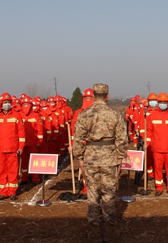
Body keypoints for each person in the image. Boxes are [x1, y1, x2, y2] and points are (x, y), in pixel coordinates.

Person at [72, 83, 128, 243]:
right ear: (107, 96)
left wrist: (80, 159)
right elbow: (122, 139)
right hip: (110, 158)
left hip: (90, 158)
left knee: (93, 196)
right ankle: (110, 233)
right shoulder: (115, 114)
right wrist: (120, 158)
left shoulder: (84, 114)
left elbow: (78, 139)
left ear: (94, 95)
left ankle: (95, 233)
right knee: (109, 196)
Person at [0, 92, 25, 200]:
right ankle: (3, 192)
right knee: (2, 171)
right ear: (1, 103)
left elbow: (21, 133)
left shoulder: (16, 116)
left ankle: (12, 191)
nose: (7, 104)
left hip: (13, 148)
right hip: (0, 149)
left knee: (13, 171)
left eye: (8, 102)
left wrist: (21, 147)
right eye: (5, 102)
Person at [145, 92, 168, 196]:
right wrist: (147, 142)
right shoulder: (152, 116)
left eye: (165, 102)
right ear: (158, 103)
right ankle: (159, 188)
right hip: (157, 148)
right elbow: (149, 131)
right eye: (161, 102)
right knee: (158, 169)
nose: (163, 104)